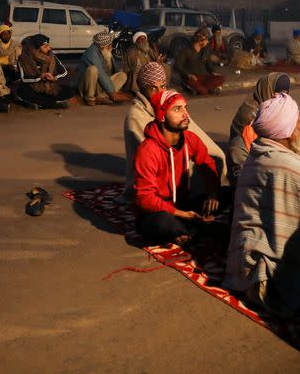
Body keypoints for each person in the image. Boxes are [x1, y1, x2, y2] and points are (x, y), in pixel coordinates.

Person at [223, 94, 300, 316]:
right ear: (286, 131)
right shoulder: (279, 163)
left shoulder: (262, 150)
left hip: (244, 267)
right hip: (263, 279)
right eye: (299, 122)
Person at [123, 62, 227, 203]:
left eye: (162, 86)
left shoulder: (171, 103)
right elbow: (152, 158)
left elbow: (195, 139)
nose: (159, 92)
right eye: (153, 88)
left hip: (179, 158)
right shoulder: (136, 115)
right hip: (158, 177)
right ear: (142, 89)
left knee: (217, 157)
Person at [132, 90, 221, 246]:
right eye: (177, 109)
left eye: (185, 108)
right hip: (157, 213)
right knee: (163, 223)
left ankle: (188, 232)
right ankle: (200, 229)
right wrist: (183, 214)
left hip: (183, 206)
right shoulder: (148, 150)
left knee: (229, 193)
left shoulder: (190, 139)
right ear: (162, 116)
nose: (185, 114)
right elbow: (144, 198)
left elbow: (208, 165)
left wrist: (212, 193)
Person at [226, 72, 290, 184]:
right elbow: (246, 140)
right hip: (246, 151)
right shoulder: (250, 112)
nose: (280, 98)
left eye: (285, 94)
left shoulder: (278, 107)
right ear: (268, 90)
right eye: (277, 93)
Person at [16, 34, 74, 109]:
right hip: (33, 87)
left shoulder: (51, 57)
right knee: (23, 91)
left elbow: (64, 72)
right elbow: (23, 78)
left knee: (69, 90)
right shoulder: (23, 59)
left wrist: (54, 78)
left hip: (49, 87)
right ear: (36, 48)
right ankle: (52, 103)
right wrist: (39, 77)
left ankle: (40, 103)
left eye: (48, 45)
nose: (49, 48)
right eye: (45, 46)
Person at [76, 31, 129, 106]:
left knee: (122, 75)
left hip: (100, 84)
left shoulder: (106, 51)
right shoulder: (91, 52)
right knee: (93, 69)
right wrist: (112, 93)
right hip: (86, 85)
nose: (111, 46)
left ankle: (102, 97)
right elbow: (101, 73)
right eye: (109, 44)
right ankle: (90, 98)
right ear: (102, 46)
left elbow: (112, 71)